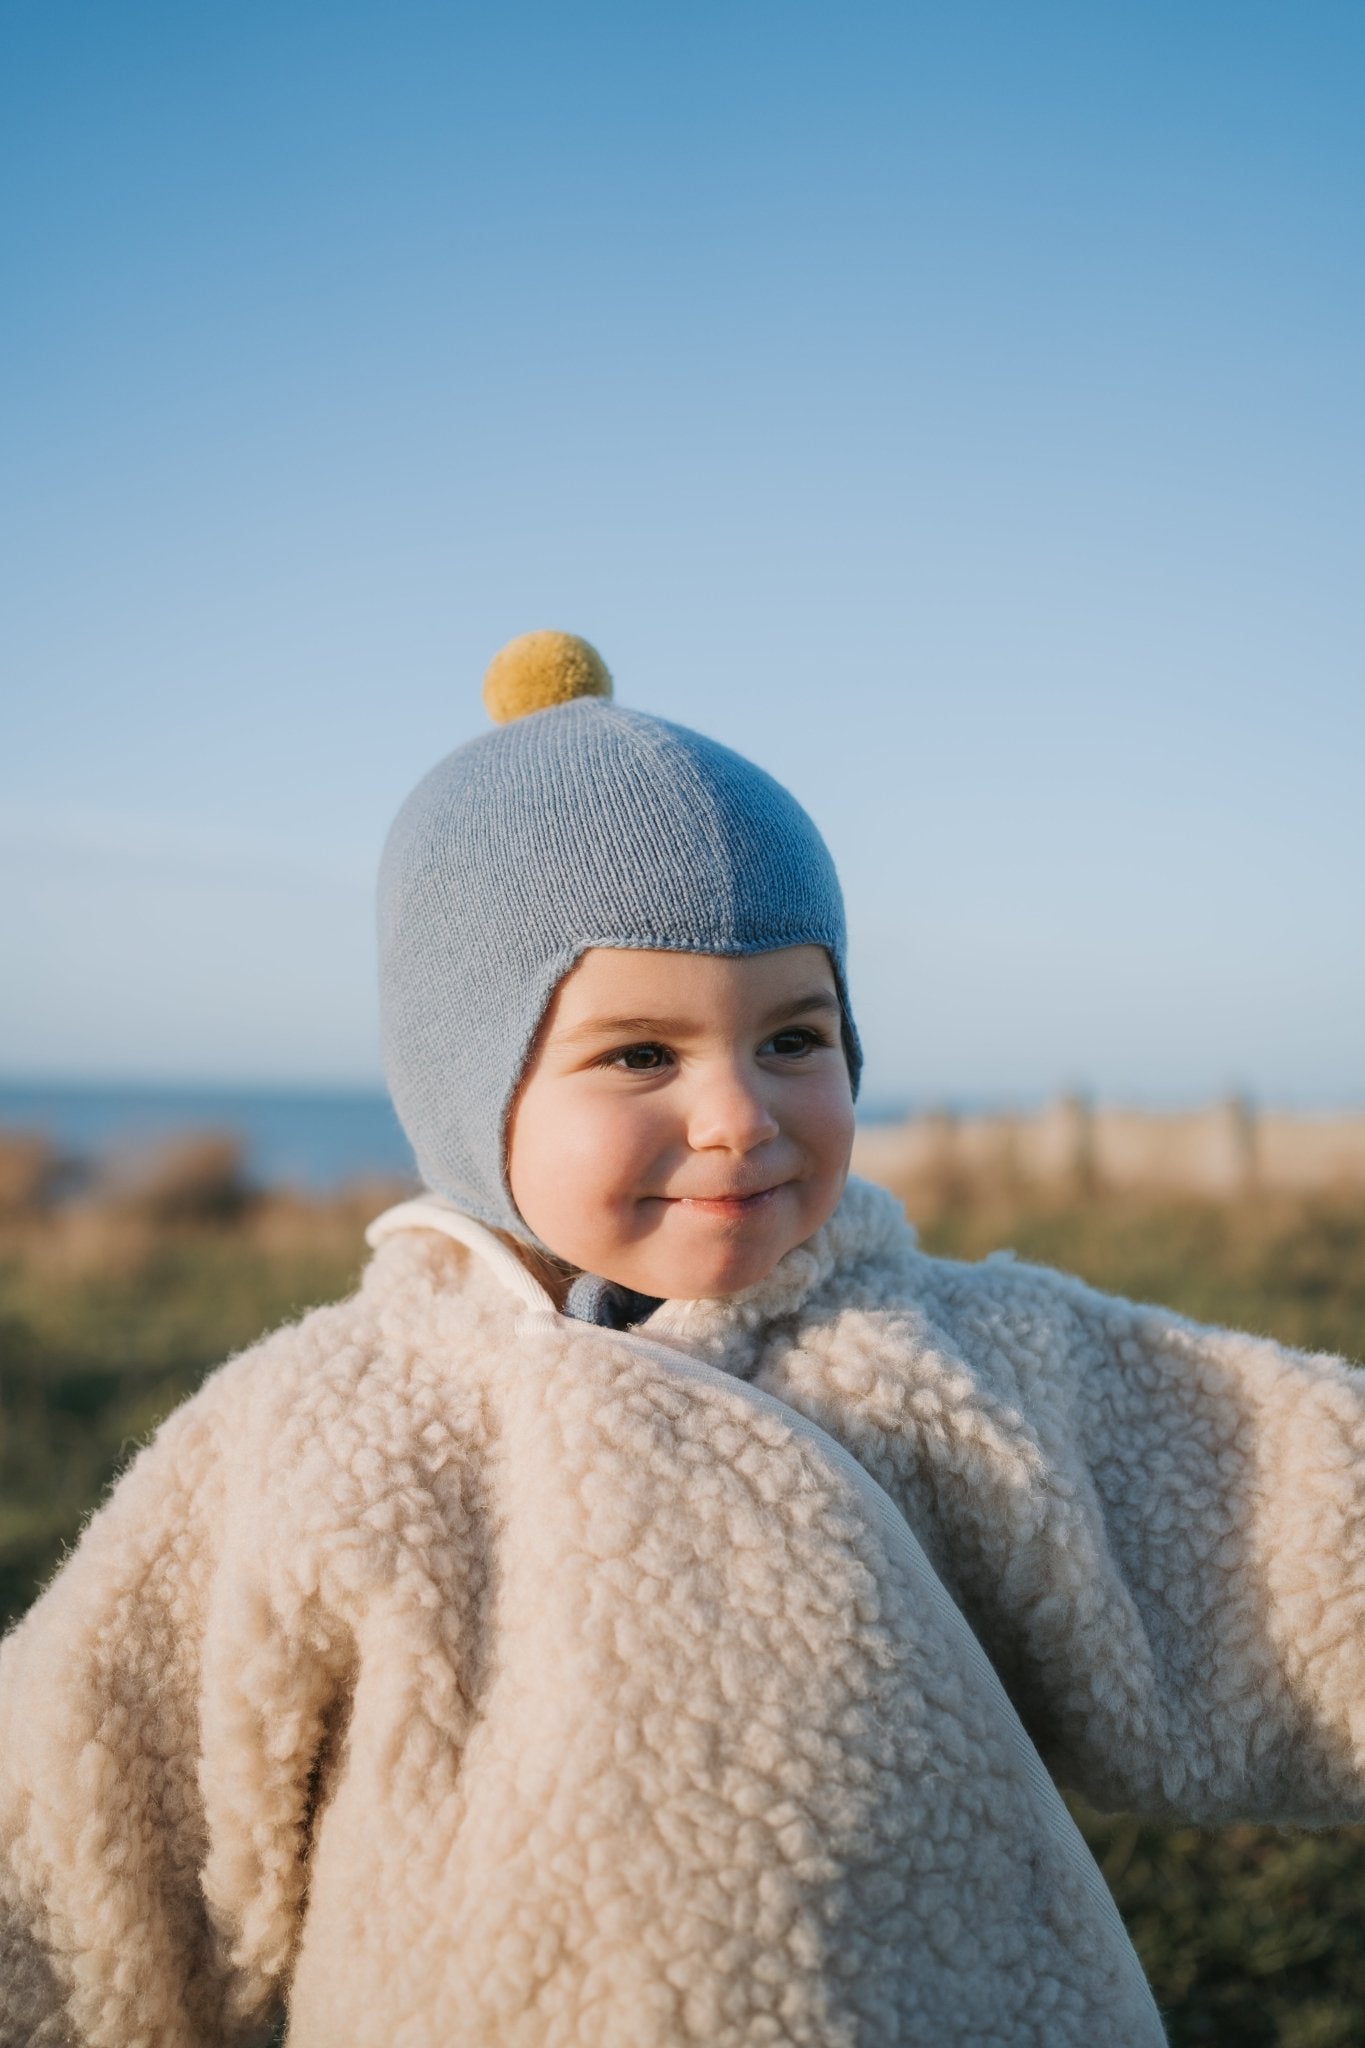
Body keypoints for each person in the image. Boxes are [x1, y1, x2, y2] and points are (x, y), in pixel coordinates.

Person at [2, 633, 1364, 2048]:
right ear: (469, 1092)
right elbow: (81, 1833)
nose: (739, 1116)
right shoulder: (321, 1427)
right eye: (641, 1054)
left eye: (794, 1039)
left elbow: (1281, 1514)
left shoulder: (948, 1350)